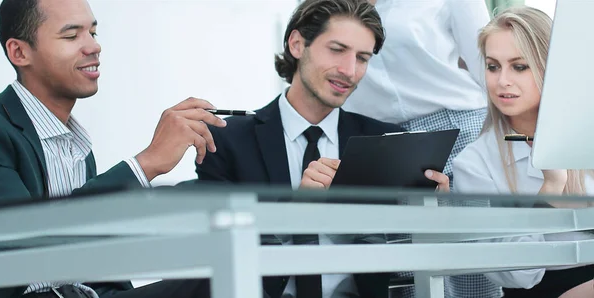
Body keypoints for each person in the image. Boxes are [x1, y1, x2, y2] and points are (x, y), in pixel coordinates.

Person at [194, 0, 450, 297]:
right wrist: (293, 214)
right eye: (337, 50)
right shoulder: (225, 140)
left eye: (363, 58)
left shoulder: (386, 141)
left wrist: (432, 214)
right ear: (297, 44)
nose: (350, 71)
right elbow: (217, 254)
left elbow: (407, 258)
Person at [0, 0, 227, 297]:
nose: (93, 46)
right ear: (19, 52)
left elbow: (91, 264)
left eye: (93, 32)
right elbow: (20, 257)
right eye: (71, 35)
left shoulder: (75, 144)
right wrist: (145, 164)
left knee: (220, 277)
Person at [343, 1, 496, 297]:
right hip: (380, 141)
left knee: (470, 269)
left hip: (456, 128)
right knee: (409, 273)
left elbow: (487, 65)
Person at [453, 6, 594, 298]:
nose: (502, 80)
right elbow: (515, 274)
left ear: (549, 66)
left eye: (519, 66)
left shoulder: (586, 131)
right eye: (493, 66)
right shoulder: (474, 163)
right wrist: (549, 194)